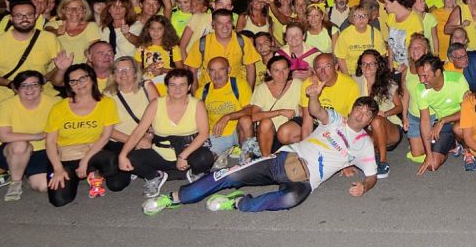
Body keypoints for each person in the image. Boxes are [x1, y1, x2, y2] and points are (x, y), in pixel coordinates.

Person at [142, 93, 380, 215]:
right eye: (359, 109)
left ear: (370, 121)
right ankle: (172, 199)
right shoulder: (337, 119)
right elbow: (316, 110)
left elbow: (371, 175)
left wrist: (364, 187)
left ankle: (237, 202)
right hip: (284, 160)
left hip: (307, 181)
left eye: (366, 114)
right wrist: (314, 95)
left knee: (289, 200)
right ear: (352, 109)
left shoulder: (364, 144)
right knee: (228, 175)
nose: (360, 115)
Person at [0, 0, 62, 165]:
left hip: (41, 93)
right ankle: (0, 170)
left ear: (36, 16)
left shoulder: (48, 39)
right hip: (4, 94)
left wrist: (44, 78)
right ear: (11, 18)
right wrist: (10, 84)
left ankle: (45, 165)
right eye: (18, 15)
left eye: (29, 15)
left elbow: (59, 68)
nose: (24, 19)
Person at [44, 63, 130, 206]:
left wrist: (85, 161)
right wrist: (58, 168)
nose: (79, 84)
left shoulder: (106, 103)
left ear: (92, 79)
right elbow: (50, 142)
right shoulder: (58, 108)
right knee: (59, 200)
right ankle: (84, 175)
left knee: (116, 180)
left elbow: (105, 137)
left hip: (94, 152)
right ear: (69, 85)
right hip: (67, 157)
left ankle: (94, 171)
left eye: (83, 78)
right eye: (73, 81)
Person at [120, 68, 214, 197]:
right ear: (167, 87)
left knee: (205, 157)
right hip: (161, 154)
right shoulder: (156, 104)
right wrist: (122, 155)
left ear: (189, 87)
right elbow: (138, 131)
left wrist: (183, 156)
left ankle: (194, 173)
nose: (177, 89)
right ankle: (155, 176)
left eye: (182, 85)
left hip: (189, 153)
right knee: (131, 157)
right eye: (173, 85)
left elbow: (204, 134)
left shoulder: (197, 104)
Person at [0, 71, 59, 201]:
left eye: (34, 84)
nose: (30, 89)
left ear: (41, 87)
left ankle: (23, 171)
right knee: (20, 145)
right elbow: (4, 136)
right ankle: (15, 182)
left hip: (43, 151)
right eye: (24, 85)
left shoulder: (55, 102)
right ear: (16, 89)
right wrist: (37, 136)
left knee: (43, 186)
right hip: (10, 150)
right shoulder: (6, 105)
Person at [411, 54, 471, 174]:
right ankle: (453, 144)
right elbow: (425, 121)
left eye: (425, 76)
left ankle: (467, 150)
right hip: (444, 125)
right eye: (419, 76)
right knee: (432, 164)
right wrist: (428, 154)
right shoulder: (420, 89)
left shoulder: (458, 80)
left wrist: (443, 120)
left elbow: (467, 112)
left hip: (463, 120)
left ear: (437, 72)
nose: (421, 80)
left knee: (458, 128)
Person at [356, 50, 403, 178]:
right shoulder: (355, 82)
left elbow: (400, 107)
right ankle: (373, 153)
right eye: (364, 64)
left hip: (389, 127)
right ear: (360, 66)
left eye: (371, 64)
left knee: (376, 120)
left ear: (378, 65)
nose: (367, 67)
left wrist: (385, 113)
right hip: (367, 128)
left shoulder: (389, 83)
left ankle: (383, 162)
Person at [185, 10, 260, 87]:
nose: (225, 27)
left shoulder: (243, 41)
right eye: (220, 23)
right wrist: (195, 96)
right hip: (209, 91)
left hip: (236, 90)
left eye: (228, 23)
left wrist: (249, 93)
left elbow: (251, 68)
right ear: (213, 25)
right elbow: (192, 70)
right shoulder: (202, 43)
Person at [249, 55, 303, 157]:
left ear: (289, 69)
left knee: (286, 132)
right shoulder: (262, 88)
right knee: (265, 123)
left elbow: (304, 109)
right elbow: (254, 116)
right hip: (270, 133)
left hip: (291, 130)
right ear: (269, 72)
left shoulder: (297, 84)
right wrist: (280, 111)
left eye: (284, 69)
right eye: (276, 70)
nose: (281, 74)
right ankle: (266, 159)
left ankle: (299, 152)